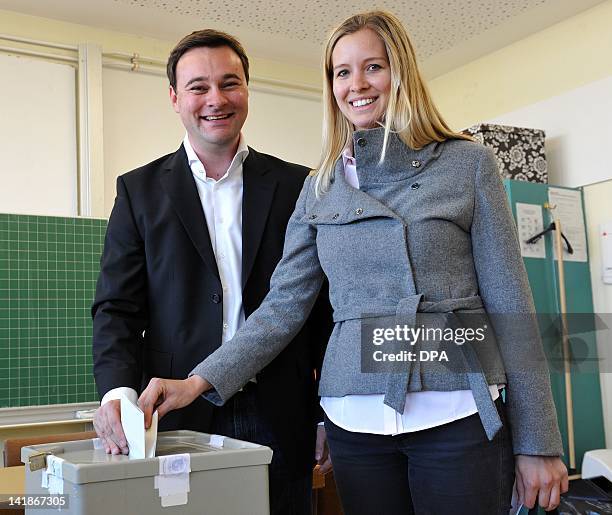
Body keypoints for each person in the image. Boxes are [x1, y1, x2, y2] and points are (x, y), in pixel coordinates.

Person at [138, 11, 569, 515]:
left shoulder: (466, 164)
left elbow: (510, 302)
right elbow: (283, 309)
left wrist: (539, 441)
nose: (356, 85)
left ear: (400, 72)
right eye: (342, 72)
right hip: (356, 420)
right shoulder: (319, 186)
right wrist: (199, 380)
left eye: (373, 67)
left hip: (456, 409)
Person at [91, 29, 332, 515]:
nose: (216, 99)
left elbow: (321, 309)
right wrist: (118, 393)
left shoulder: (298, 185)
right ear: (175, 98)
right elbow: (117, 307)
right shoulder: (139, 191)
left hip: (281, 412)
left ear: (247, 90)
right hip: (176, 412)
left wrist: (327, 413)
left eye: (230, 83)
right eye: (198, 87)